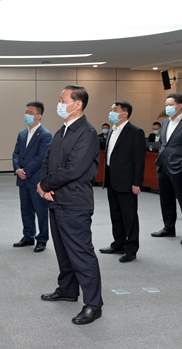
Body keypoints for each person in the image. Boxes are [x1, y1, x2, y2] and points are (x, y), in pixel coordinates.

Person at [37, 85, 103, 325]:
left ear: (78, 104)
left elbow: (73, 169)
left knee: (81, 254)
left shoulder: (87, 133)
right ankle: (67, 289)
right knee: (63, 251)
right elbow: (48, 160)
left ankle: (93, 304)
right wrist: (43, 185)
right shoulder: (62, 131)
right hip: (56, 200)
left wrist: (45, 184)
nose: (59, 104)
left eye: (63, 100)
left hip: (75, 203)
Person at [98, 101, 146, 262]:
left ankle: (131, 248)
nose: (111, 112)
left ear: (124, 114)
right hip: (111, 179)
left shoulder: (135, 132)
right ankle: (118, 243)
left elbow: (139, 160)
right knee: (116, 214)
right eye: (111, 109)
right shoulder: (112, 130)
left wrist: (136, 182)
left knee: (129, 216)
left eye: (114, 110)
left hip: (127, 181)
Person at [150, 93, 182, 244]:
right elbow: (163, 144)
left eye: (170, 105)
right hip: (164, 166)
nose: (167, 107)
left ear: (179, 106)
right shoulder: (165, 122)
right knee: (166, 199)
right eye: (166, 105)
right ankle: (169, 227)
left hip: (180, 168)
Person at [12, 101, 53, 253]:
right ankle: (28, 236)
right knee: (26, 210)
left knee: (41, 211)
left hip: (36, 180)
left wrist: (26, 171)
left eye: (30, 113)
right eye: (26, 112)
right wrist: (18, 169)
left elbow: (42, 157)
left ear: (39, 116)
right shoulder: (22, 134)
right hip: (22, 179)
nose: (27, 115)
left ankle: (42, 239)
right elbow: (16, 153)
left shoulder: (45, 135)